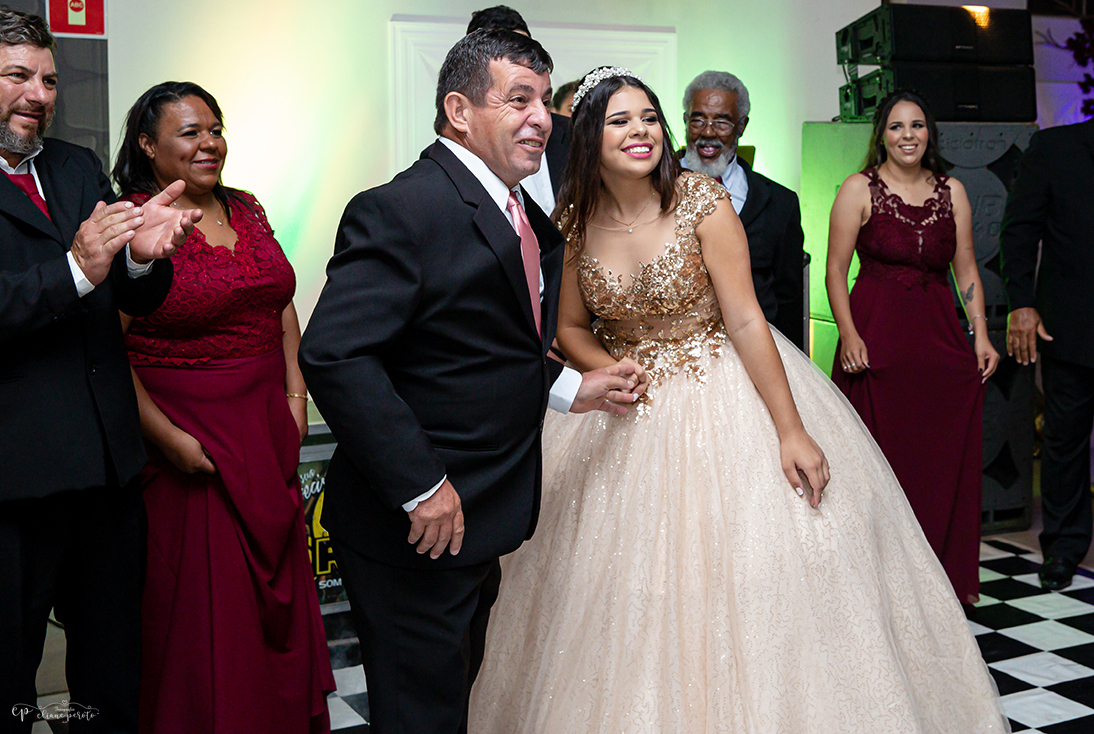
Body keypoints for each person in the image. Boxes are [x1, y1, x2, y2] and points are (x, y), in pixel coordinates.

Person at [469, 68, 1009, 733]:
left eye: (649, 117)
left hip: (720, 389)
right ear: (588, 139)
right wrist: (610, 371)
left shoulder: (703, 201)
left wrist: (791, 429)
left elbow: (748, 319)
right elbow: (570, 329)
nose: (641, 131)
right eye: (620, 121)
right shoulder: (574, 222)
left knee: (757, 571)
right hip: (624, 409)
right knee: (624, 587)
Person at [298, 31, 644, 734]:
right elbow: (336, 355)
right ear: (459, 111)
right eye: (518, 100)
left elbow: (479, 346)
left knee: (453, 701)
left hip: (480, 515)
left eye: (544, 101)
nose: (542, 118)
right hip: (416, 526)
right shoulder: (403, 207)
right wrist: (421, 485)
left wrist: (569, 388)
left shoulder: (514, 208)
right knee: (420, 714)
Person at [112, 81, 334, 733]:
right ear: (147, 145)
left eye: (215, 129)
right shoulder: (134, 221)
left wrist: (294, 396)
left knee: (274, 608)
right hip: (190, 439)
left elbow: (279, 305)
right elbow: (106, 350)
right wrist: (169, 440)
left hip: (264, 430)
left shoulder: (248, 207)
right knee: (207, 619)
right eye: (190, 132)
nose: (209, 143)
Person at [0, 9, 198, 733]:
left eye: (49, 80)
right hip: (14, 483)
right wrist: (77, 269)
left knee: (111, 675)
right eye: (18, 76)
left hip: (107, 473)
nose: (39, 94)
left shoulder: (76, 166)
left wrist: (141, 259)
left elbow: (128, 298)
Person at [826, 89, 999, 604]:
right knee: (875, 464)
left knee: (935, 463)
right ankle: (872, 588)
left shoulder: (953, 191)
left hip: (937, 347)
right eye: (897, 126)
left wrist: (981, 333)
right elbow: (835, 270)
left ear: (930, 134)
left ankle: (935, 587)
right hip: (875, 344)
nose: (908, 135)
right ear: (882, 134)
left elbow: (965, 269)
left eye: (917, 125)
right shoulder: (858, 188)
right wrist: (849, 334)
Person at [1000, 118, 1094, 590]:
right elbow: (1019, 231)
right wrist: (1021, 303)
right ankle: (1063, 546)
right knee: (1065, 440)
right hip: (1072, 327)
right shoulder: (1055, 148)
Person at [680, 70, 806, 350]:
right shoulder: (652, 189)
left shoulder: (780, 203)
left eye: (722, 122)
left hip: (753, 352)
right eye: (698, 119)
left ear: (742, 126)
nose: (708, 132)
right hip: (674, 352)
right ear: (686, 120)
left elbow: (788, 300)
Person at [467, 5, 571, 214]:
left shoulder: (572, 133)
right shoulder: (457, 157)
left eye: (527, 51)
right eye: (511, 53)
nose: (524, 64)